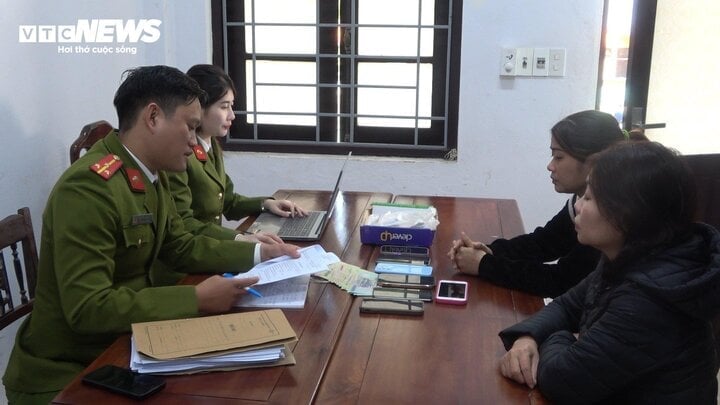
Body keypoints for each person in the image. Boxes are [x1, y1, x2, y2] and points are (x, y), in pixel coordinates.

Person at [2, 65, 300, 404]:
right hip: (69, 371)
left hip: (126, 345)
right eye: (189, 126)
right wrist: (196, 299)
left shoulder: (146, 173)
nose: (194, 140)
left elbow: (179, 244)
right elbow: (88, 307)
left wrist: (261, 255)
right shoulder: (88, 189)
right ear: (154, 117)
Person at [498, 141, 720, 404]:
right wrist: (527, 337)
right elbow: (567, 306)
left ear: (627, 214)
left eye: (589, 197)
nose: (578, 207)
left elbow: (562, 380)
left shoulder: (650, 301)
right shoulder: (630, 256)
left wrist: (564, 336)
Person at [448, 110, 631, 297]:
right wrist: (489, 251)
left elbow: (560, 281)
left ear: (593, 162)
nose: (550, 166)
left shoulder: (610, 218)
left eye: (558, 157)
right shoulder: (580, 201)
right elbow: (542, 243)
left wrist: (483, 264)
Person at [170, 63, 306, 242]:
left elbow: (228, 200)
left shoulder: (210, 145)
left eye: (231, 106)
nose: (232, 115)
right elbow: (185, 224)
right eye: (224, 107)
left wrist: (266, 204)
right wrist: (240, 238)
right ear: (199, 108)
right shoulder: (179, 155)